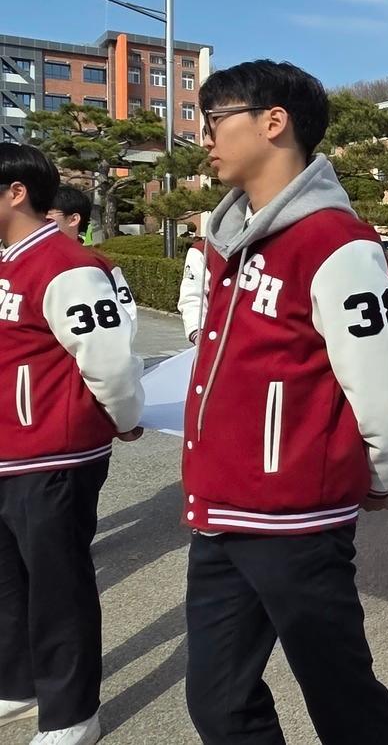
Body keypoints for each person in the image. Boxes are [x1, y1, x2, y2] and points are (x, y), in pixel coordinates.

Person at [181, 60, 388, 745]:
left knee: (341, 699)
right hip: (221, 509)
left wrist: (376, 473)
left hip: (295, 516)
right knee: (217, 702)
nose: (203, 136)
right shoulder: (232, 240)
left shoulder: (333, 242)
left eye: (214, 119)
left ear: (272, 122)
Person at [0, 144, 144, 745]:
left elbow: (110, 359)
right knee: (8, 581)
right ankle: (17, 684)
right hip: (9, 449)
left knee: (58, 585)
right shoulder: (7, 261)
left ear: (15, 192)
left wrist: (123, 417)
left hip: (53, 453)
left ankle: (72, 713)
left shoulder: (66, 265)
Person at [46, 184, 137, 331]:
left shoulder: (100, 266)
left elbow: (128, 318)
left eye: (48, 218)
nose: (41, 225)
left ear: (73, 219)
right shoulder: (24, 260)